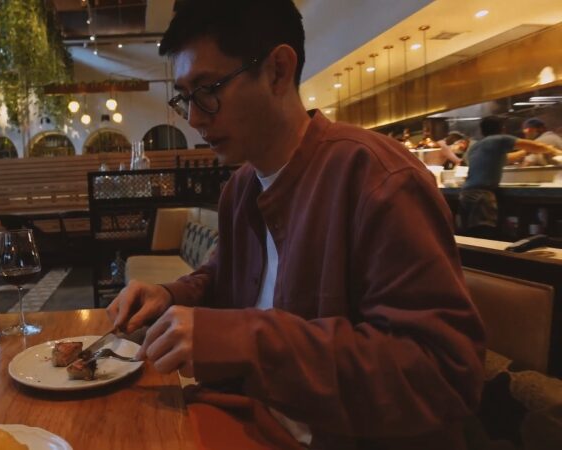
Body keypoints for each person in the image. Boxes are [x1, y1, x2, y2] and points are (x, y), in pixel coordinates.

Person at [108, 1, 486, 448]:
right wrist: (168, 294)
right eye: (185, 97)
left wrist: (242, 341)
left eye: (208, 89)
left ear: (277, 70)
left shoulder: (378, 180)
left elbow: (441, 374)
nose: (194, 118)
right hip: (252, 416)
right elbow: (223, 274)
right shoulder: (242, 187)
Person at [459, 116, 560, 238]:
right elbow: (537, 146)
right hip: (481, 194)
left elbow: (506, 159)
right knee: (484, 231)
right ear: (502, 128)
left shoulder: (477, 146)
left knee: (473, 231)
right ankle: (487, 256)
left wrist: (525, 152)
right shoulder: (500, 139)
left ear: (482, 130)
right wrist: (554, 151)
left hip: (466, 193)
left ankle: (476, 255)